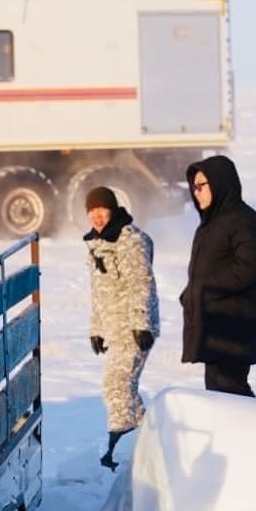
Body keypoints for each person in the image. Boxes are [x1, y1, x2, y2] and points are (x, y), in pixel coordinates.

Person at [179, 155, 256, 397]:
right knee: (220, 393)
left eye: (201, 186)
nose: (196, 192)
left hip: (234, 326)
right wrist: (190, 294)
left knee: (231, 392)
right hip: (215, 324)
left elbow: (249, 268)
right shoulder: (211, 224)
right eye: (193, 187)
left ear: (220, 183)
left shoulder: (244, 220)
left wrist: (205, 289)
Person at [83, 187, 159, 468]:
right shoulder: (97, 244)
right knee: (120, 385)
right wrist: (97, 328)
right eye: (92, 211)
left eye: (102, 210)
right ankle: (148, 439)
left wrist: (142, 323)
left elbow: (141, 283)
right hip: (114, 328)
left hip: (133, 327)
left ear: (112, 210)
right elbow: (99, 292)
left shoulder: (129, 240)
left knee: (117, 384)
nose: (97, 217)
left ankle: (121, 446)